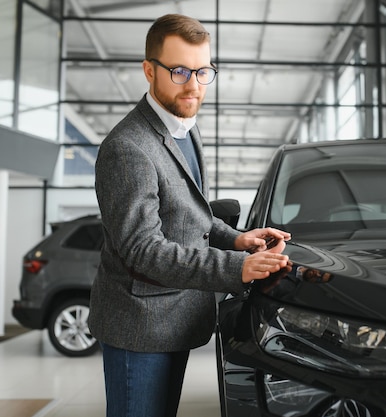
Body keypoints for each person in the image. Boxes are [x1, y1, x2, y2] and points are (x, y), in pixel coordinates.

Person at [87, 14, 291, 417]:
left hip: (175, 315)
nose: (194, 85)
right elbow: (144, 250)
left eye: (203, 71)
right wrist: (239, 266)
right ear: (149, 70)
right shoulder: (128, 148)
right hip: (140, 327)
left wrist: (235, 238)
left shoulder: (185, 128)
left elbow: (188, 212)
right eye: (179, 71)